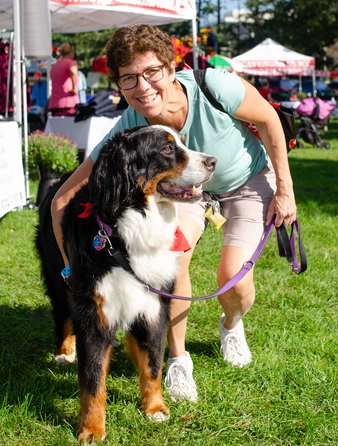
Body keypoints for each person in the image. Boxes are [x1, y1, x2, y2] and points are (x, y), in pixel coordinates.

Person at [51, 24, 296, 403]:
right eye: (129, 78)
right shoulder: (131, 123)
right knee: (172, 262)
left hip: (246, 181)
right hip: (185, 194)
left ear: (170, 67)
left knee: (233, 279)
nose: (143, 86)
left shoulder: (215, 85)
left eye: (151, 72)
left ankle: (231, 325)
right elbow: (63, 199)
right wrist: (74, 272)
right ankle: (178, 361)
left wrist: (285, 190)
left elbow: (269, 120)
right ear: (117, 84)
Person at [48, 43, 79, 115]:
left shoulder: (55, 65)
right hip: (68, 102)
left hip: (54, 103)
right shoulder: (71, 63)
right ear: (71, 52)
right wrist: (74, 88)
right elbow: (74, 72)